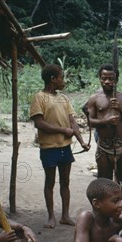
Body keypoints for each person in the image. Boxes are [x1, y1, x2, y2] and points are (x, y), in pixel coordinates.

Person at [30, 63, 90, 228]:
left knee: (65, 182)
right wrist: (63, 130)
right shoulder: (39, 98)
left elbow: (73, 122)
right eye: (62, 77)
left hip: (65, 147)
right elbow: (39, 123)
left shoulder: (63, 98)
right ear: (53, 79)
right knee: (50, 182)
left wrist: (82, 141)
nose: (64, 81)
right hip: (49, 148)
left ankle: (65, 215)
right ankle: (51, 217)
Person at [85, 64, 122, 208]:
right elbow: (90, 121)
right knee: (104, 180)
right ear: (99, 79)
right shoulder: (94, 98)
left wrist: (120, 109)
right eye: (104, 78)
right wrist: (105, 121)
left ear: (116, 79)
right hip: (104, 146)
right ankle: (104, 209)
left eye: (111, 79)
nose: (107, 82)